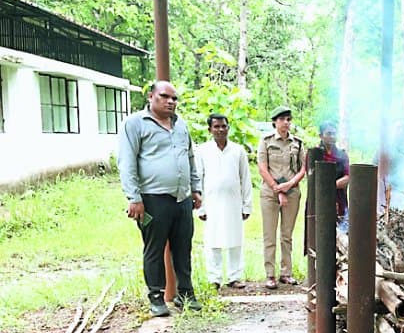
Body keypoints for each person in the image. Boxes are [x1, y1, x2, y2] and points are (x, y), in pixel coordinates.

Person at [118, 80, 202, 316]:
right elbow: (127, 162)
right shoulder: (135, 124)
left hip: (181, 198)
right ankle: (156, 297)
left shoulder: (180, 125)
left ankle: (186, 294)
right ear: (151, 97)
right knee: (154, 249)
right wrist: (134, 197)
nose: (171, 102)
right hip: (152, 199)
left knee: (183, 248)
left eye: (174, 98)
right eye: (165, 97)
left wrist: (195, 188)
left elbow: (190, 157)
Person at [195, 114, 253, 290]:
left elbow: (245, 178)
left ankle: (235, 277)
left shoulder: (238, 150)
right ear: (210, 129)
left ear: (228, 128)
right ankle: (215, 278)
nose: (220, 130)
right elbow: (198, 178)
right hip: (211, 203)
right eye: (216, 127)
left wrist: (247, 205)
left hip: (234, 203)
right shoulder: (203, 151)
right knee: (213, 241)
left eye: (223, 126)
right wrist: (200, 207)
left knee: (235, 239)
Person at [257, 105, 305, 290]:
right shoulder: (266, 141)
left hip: (292, 192)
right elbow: (262, 168)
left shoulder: (297, 143)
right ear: (275, 122)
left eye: (289, 119)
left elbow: (302, 168)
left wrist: (289, 185)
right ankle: (270, 275)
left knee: (287, 235)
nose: (287, 122)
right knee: (269, 235)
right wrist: (278, 189)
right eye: (283, 119)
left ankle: (286, 273)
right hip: (270, 193)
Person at [306, 121, 351, 228]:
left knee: (340, 230)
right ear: (321, 136)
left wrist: (331, 186)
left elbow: (348, 176)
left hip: (338, 198)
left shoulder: (342, 155)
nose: (332, 136)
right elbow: (311, 176)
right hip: (317, 198)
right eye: (329, 133)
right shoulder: (314, 154)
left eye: (334, 133)